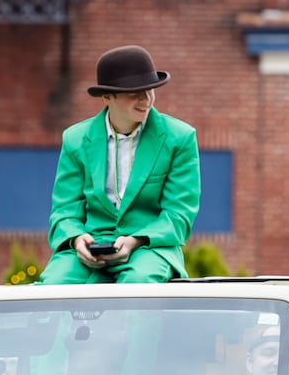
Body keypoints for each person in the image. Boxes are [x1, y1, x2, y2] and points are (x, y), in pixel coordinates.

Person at [39, 45, 200, 286]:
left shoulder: (180, 138)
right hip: (89, 249)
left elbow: (179, 215)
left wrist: (136, 240)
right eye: (134, 92)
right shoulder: (74, 140)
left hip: (150, 248)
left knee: (139, 284)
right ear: (107, 97)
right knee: (53, 286)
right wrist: (76, 240)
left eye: (150, 90)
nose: (146, 100)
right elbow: (64, 211)